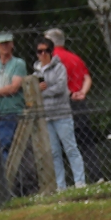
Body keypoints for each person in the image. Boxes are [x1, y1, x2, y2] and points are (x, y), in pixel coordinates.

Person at [45, 28, 100, 182]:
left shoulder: (52, 58)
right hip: (80, 103)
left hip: (63, 104)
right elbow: (87, 77)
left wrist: (70, 94)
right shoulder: (75, 57)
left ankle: (70, 181)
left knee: (66, 145)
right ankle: (96, 176)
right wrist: (82, 92)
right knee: (86, 141)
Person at [34, 36, 86, 190]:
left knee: (71, 148)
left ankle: (80, 182)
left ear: (51, 52)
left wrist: (43, 90)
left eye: (46, 51)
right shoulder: (36, 71)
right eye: (40, 51)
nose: (43, 54)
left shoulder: (59, 67)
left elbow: (61, 88)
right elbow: (34, 90)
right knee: (54, 153)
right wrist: (41, 90)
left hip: (62, 114)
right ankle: (60, 186)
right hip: (47, 116)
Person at [0, 31, 28, 159]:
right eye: (1, 43)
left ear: (12, 44)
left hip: (15, 111)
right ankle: (7, 176)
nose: (5, 46)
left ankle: (11, 177)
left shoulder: (18, 63)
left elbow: (14, 87)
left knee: (15, 147)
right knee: (2, 146)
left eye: (7, 43)